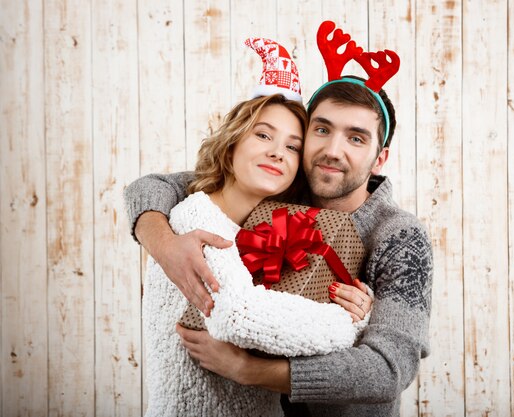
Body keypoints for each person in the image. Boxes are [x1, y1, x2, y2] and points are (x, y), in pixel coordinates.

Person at [126, 22, 433, 417]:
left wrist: (253, 370)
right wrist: (165, 246)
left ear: (380, 158)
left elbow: (388, 370)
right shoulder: (281, 186)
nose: (333, 151)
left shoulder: (400, 237)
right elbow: (153, 186)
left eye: (356, 138)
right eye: (321, 130)